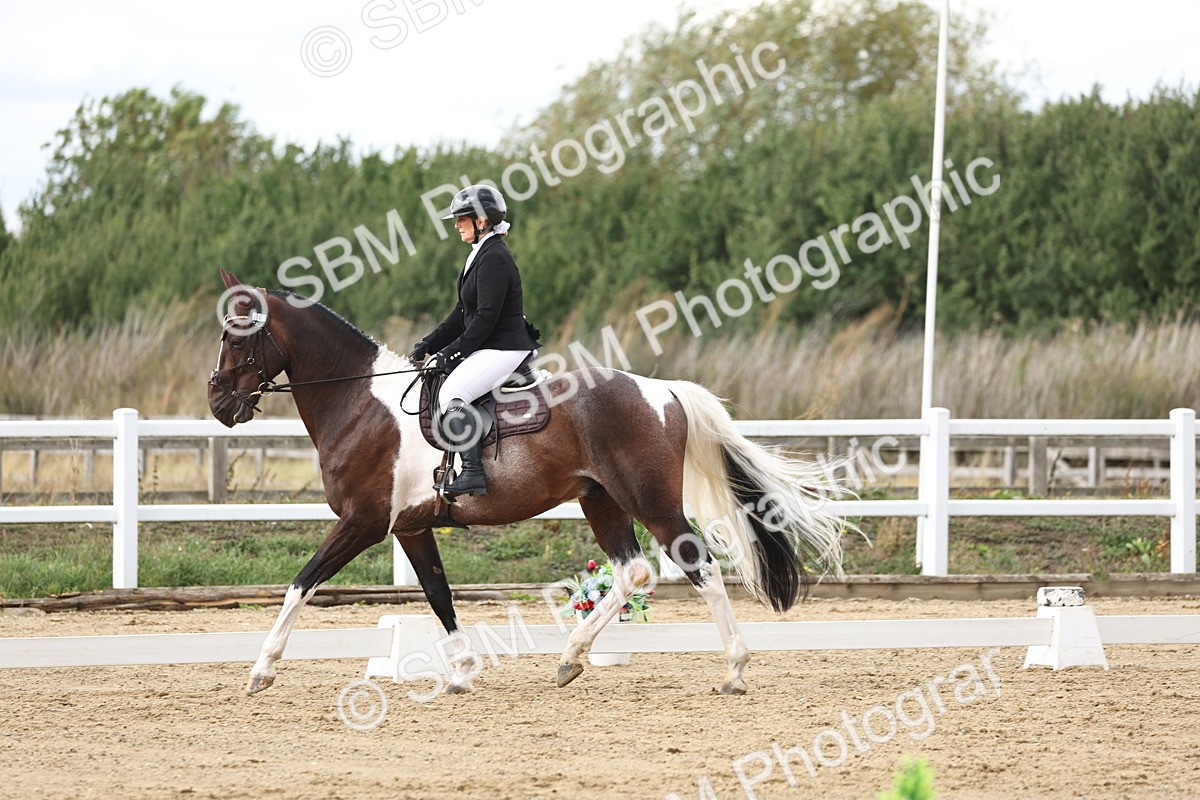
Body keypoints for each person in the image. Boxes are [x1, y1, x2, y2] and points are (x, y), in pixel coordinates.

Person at [408, 184, 541, 498]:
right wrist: (431, 342)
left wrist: (450, 356)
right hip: (492, 344)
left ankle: (472, 472)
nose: (456, 225)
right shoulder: (480, 254)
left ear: (482, 221)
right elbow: (462, 311)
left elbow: (485, 318)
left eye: (461, 219)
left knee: (452, 393)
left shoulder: (494, 257)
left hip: (505, 347)